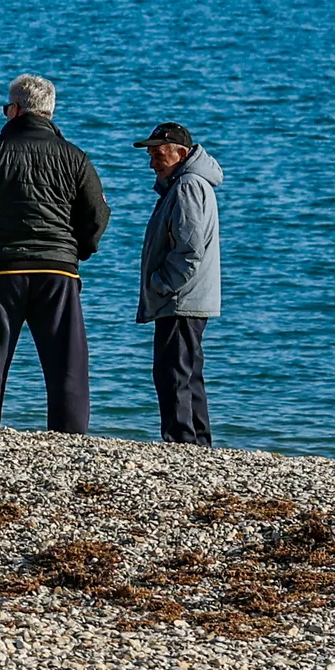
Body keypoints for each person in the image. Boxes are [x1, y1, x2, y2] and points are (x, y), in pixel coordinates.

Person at [0, 74, 110, 433]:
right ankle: (69, 438)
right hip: (58, 270)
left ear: (15, 109)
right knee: (67, 363)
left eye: (6, 108)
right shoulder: (75, 157)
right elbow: (97, 215)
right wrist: (77, 249)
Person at [134, 122, 222, 447]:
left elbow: (189, 250)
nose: (152, 163)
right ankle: (197, 443)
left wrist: (162, 284)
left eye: (158, 155)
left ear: (181, 154)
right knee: (187, 372)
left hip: (181, 299)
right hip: (188, 297)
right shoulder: (188, 184)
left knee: (173, 373)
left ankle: (182, 442)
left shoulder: (187, 186)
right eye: (151, 155)